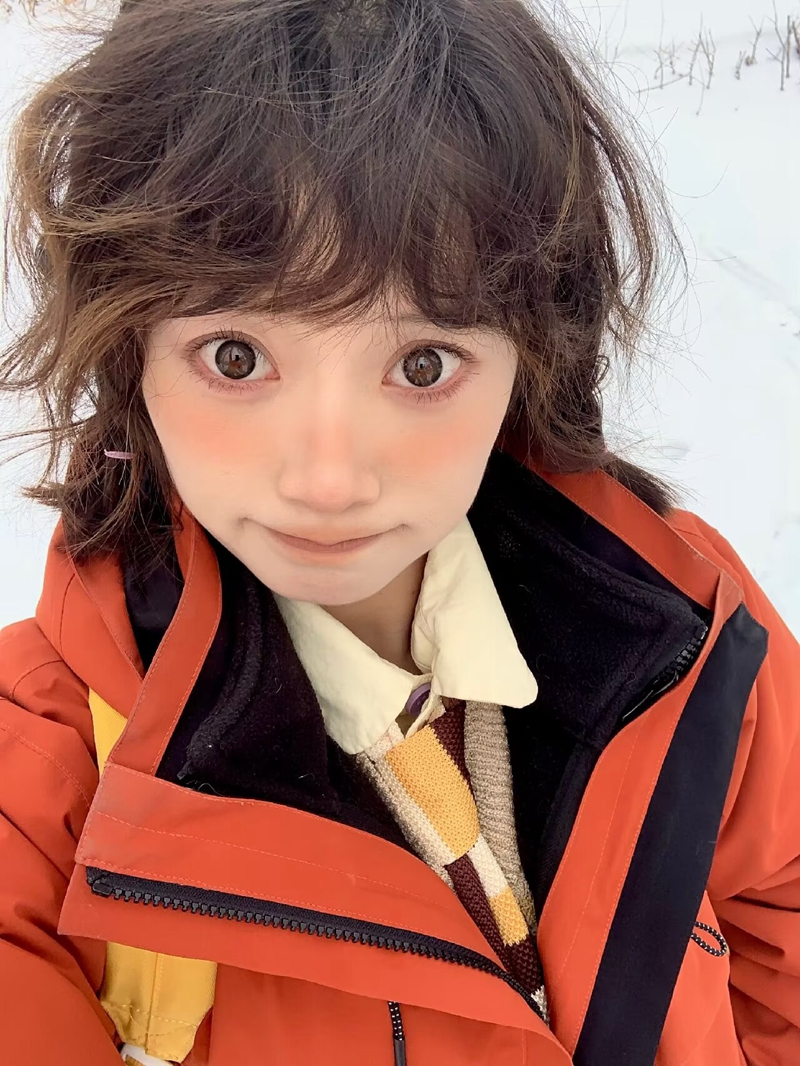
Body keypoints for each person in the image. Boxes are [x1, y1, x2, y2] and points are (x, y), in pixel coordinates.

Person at [0, 1, 798, 1064]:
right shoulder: (47, 781)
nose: (329, 479)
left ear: (531, 355)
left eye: (421, 364)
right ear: (127, 349)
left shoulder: (687, 630)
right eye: (236, 357)